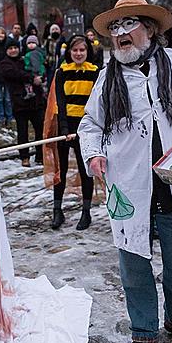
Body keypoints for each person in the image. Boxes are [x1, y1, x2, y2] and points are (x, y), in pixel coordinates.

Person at [78, 0, 172, 343]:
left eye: (129, 25)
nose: (120, 34)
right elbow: (90, 124)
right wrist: (93, 153)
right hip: (130, 185)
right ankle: (143, 330)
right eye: (115, 28)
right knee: (133, 261)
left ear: (150, 29)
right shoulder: (108, 79)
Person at [51, 35, 99, 231]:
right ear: (69, 52)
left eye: (82, 50)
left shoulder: (95, 72)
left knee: (84, 168)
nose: (78, 54)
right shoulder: (62, 72)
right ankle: (57, 210)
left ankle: (86, 212)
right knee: (60, 169)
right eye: (75, 50)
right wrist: (64, 129)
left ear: (87, 51)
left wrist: (85, 129)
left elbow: (97, 102)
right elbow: (60, 102)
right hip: (65, 125)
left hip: (85, 126)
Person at [0, 39, 44, 167]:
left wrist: (39, 76)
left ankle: (40, 155)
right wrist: (31, 78)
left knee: (39, 129)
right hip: (19, 103)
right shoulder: (5, 64)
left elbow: (36, 69)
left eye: (15, 48)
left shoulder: (25, 59)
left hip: (35, 101)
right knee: (22, 131)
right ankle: (24, 156)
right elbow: (14, 74)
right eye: (11, 48)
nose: (14, 50)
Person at [45, 24, 65, 89]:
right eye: (53, 29)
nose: (55, 31)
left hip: (60, 61)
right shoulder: (48, 40)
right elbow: (45, 51)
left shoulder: (62, 39)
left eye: (56, 29)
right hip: (50, 62)